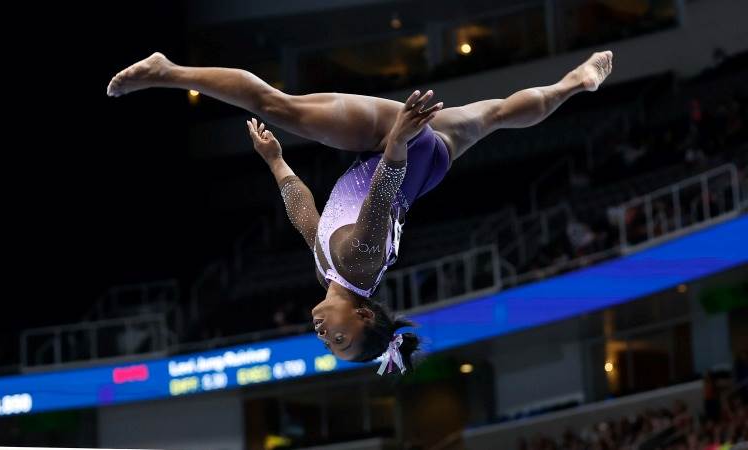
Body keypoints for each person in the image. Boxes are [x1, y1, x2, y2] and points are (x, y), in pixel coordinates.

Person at [108, 50, 614, 373]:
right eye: (341, 337)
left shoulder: (333, 272)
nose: (325, 335)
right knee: (279, 106)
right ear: (365, 315)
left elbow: (306, 220)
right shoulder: (361, 265)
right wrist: (396, 139)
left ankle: (574, 83)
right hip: (398, 153)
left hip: (425, 166)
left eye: (329, 344)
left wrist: (278, 164)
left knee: (498, 114)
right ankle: (166, 71)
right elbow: (379, 198)